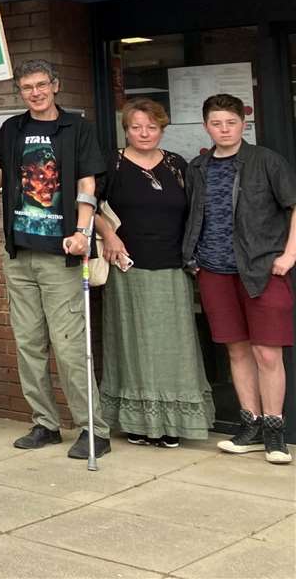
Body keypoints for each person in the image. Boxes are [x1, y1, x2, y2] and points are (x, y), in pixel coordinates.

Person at [0, 58, 109, 459]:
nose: (36, 92)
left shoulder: (77, 128)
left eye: (42, 85)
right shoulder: (13, 129)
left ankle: (93, 429)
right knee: (29, 344)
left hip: (61, 253)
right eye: (27, 87)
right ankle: (45, 422)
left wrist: (82, 232)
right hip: (20, 251)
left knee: (69, 346)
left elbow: (87, 183)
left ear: (55, 86)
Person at [182, 93, 296, 465]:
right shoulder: (198, 166)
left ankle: (276, 431)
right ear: (206, 126)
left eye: (231, 122)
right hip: (214, 270)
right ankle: (250, 424)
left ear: (243, 124)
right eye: (216, 123)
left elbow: (294, 206)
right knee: (237, 348)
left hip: (262, 268)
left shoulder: (265, 160)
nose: (224, 129)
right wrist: (193, 256)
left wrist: (289, 255)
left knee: (267, 351)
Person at [95, 99, 213, 447]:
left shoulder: (178, 164)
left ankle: (174, 423)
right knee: (132, 345)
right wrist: (109, 233)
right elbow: (83, 202)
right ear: (126, 129)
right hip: (127, 266)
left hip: (174, 267)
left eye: (151, 127)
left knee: (174, 348)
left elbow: (197, 212)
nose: (144, 133)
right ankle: (137, 422)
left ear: (162, 129)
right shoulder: (111, 163)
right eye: (136, 127)